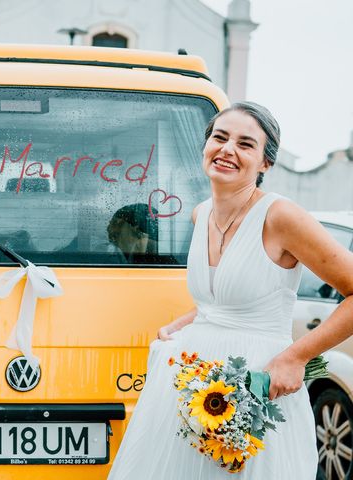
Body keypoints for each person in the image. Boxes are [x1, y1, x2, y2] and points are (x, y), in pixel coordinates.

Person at [108, 102, 353, 479]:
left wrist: (295, 358)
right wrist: (185, 323)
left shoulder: (281, 217)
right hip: (190, 388)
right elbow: (223, 301)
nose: (227, 150)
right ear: (205, 146)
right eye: (220, 138)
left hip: (256, 387)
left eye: (245, 144)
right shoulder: (200, 213)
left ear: (265, 163)